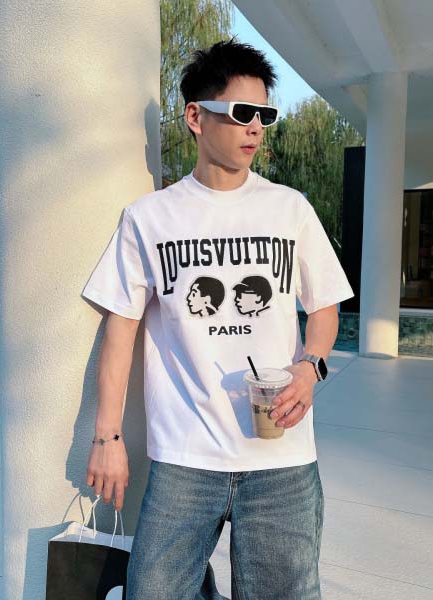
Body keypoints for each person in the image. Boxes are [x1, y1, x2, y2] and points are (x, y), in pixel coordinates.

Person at [81, 37, 354, 600]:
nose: (255, 128)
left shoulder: (290, 208)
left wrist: (311, 368)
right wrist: (107, 436)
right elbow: (120, 331)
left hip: (281, 459)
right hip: (184, 460)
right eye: (242, 112)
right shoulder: (149, 218)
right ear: (196, 117)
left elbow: (324, 306)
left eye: (264, 116)